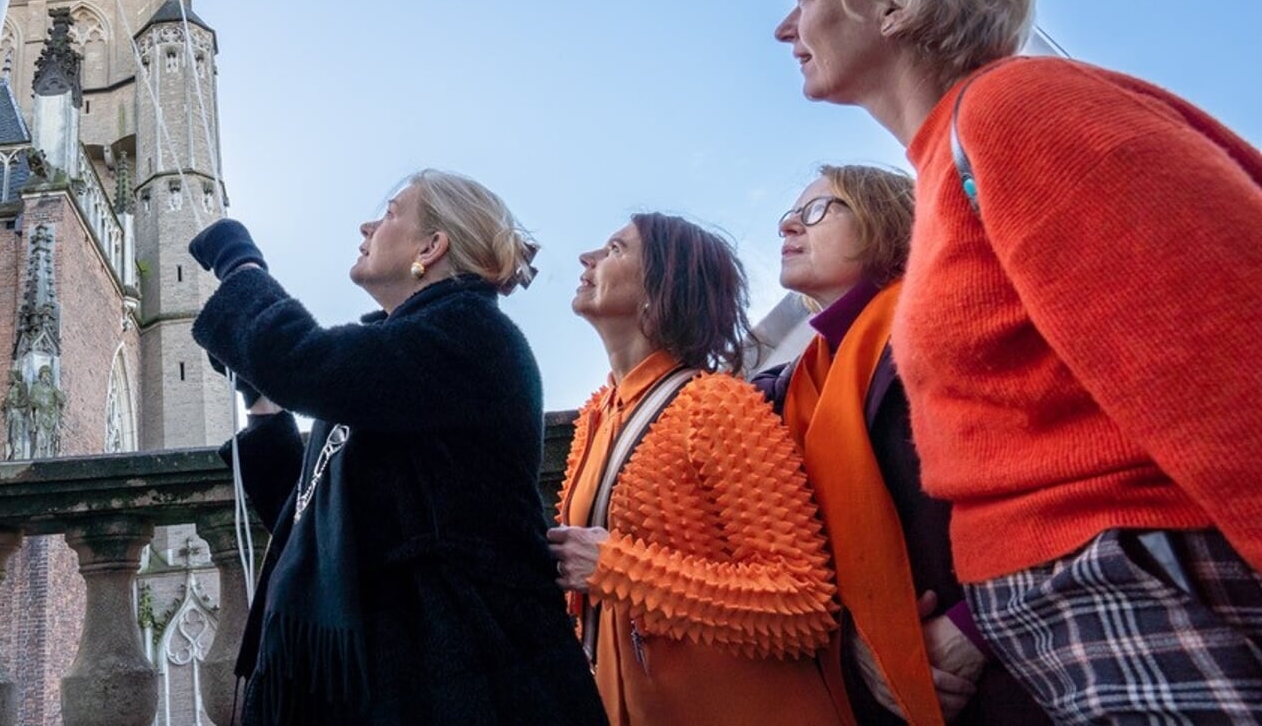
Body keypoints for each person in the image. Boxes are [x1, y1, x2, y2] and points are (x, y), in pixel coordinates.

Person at [774, 0, 1262, 723]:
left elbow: (1228, 355)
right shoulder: (949, 160)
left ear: (892, 3)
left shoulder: (1016, 109)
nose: (786, 26)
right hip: (1083, 611)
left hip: (1144, 581)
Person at [187, 170, 606, 726]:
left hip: (459, 674)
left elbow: (306, 362)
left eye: (390, 212)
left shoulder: (470, 334)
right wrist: (262, 404)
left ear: (432, 248)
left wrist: (240, 266)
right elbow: (309, 517)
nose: (368, 224)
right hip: (386, 673)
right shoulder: (400, 355)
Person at [753, 165, 1047, 726]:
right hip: (880, 693)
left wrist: (975, 627)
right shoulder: (794, 386)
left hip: (1011, 667)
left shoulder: (948, 318)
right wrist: (865, 648)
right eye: (788, 214)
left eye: (817, 209)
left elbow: (1048, 472)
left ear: (884, 220)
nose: (790, 225)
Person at [547, 212, 843, 726]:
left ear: (662, 286)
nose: (587, 257)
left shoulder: (715, 405)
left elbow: (802, 604)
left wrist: (614, 569)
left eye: (616, 249)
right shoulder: (595, 419)